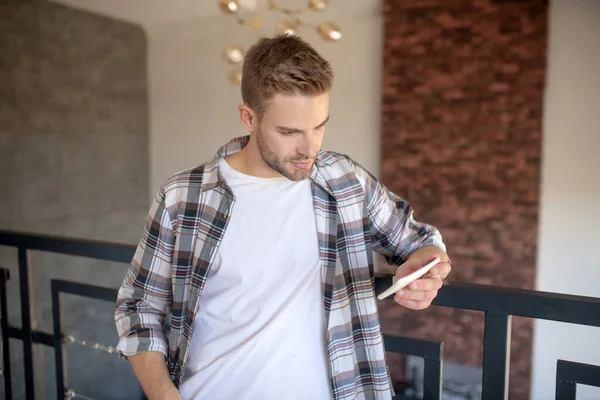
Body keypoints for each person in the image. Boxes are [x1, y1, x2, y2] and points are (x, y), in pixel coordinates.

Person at [115, 34, 451, 400]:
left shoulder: (345, 180)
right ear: (249, 118)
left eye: (319, 125)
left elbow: (422, 243)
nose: (310, 149)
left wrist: (426, 273)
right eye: (289, 132)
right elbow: (138, 306)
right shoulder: (182, 197)